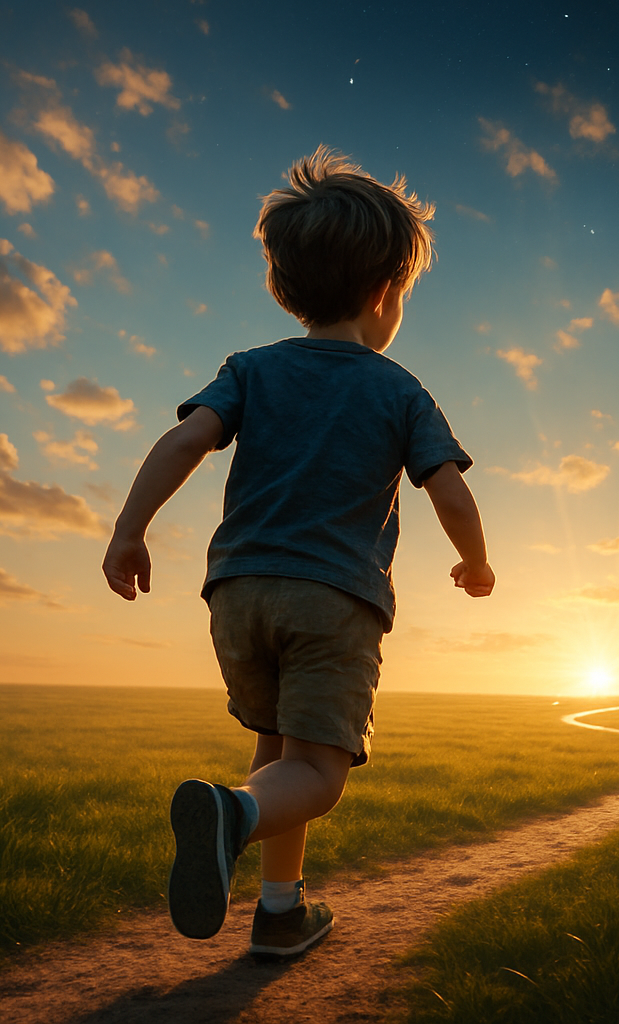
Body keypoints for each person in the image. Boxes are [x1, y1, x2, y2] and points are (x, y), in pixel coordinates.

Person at [102, 146, 493, 960]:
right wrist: (476, 562)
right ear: (386, 292)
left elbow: (186, 440)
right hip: (333, 600)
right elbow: (449, 490)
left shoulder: (250, 370)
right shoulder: (399, 389)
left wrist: (129, 530)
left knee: (276, 748)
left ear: (287, 286)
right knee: (318, 773)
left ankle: (280, 911)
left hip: (237, 595)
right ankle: (233, 816)